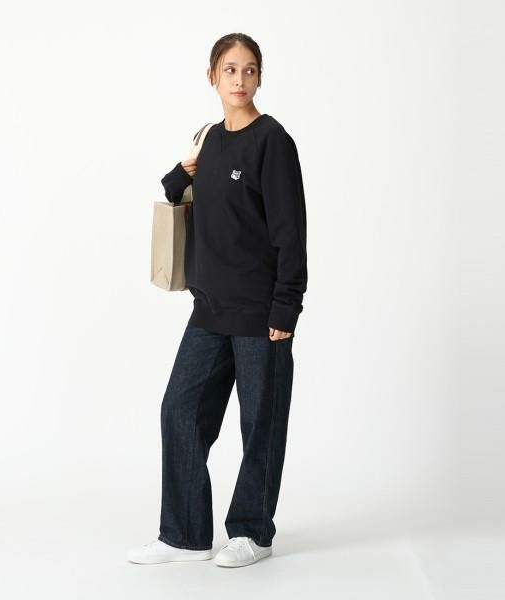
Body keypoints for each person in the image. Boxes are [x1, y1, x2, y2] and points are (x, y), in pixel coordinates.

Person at [127, 32, 308, 568]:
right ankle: (184, 535)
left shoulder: (272, 141)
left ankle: (253, 531)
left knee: (260, 424)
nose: (240, 79)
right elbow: (174, 193)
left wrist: (286, 307)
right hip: (208, 308)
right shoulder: (208, 140)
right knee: (179, 410)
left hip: (260, 312)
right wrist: (186, 163)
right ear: (212, 76)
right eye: (230, 69)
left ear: (260, 77)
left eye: (250, 70)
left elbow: (290, 232)